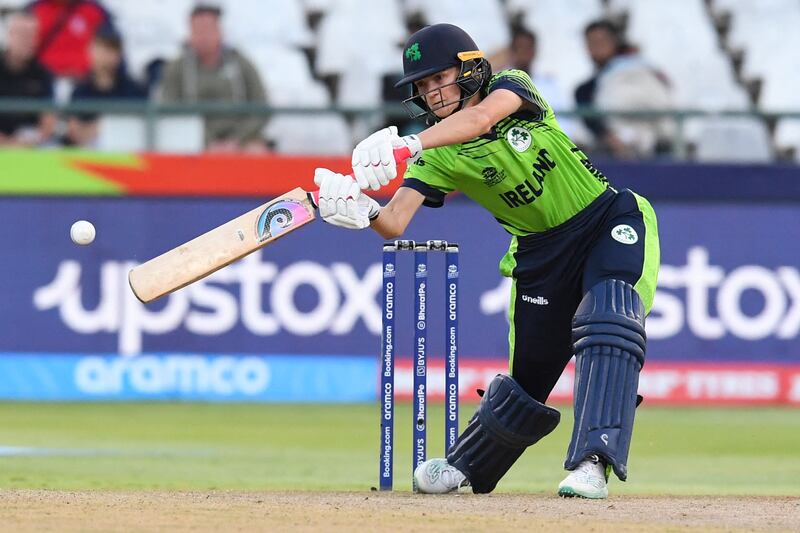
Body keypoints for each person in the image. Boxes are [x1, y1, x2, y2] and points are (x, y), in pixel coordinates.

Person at [313, 23, 660, 498]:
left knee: (607, 320)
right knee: (529, 380)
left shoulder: (511, 86)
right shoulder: (437, 156)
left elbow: (479, 122)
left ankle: (592, 463)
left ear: (470, 69)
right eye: (423, 86)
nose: (433, 94)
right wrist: (361, 210)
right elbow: (395, 222)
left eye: (441, 79)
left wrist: (409, 142)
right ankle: (467, 467)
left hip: (605, 218)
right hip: (540, 254)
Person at [159, 3, 268, 153]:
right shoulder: (177, 68)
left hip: (240, 139)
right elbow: (169, 110)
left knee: (256, 152)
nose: (203, 36)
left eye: (208, 30)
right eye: (198, 30)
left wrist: (237, 140)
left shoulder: (241, 63)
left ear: (220, 31)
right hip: (193, 139)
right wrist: (206, 141)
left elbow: (261, 107)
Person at [575, 20, 673, 159]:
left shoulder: (641, 71)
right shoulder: (584, 91)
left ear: (615, 42)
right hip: (610, 157)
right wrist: (613, 141)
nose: (598, 47)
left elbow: (661, 106)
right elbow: (591, 123)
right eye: (592, 42)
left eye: (602, 41)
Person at [64, 26, 147, 147]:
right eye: (100, 48)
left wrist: (103, 127)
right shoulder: (80, 90)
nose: (105, 56)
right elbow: (75, 132)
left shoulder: (133, 89)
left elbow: (141, 128)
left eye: (111, 50)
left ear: (119, 55)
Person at [0, 10, 55, 146]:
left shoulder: (42, 73)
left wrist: (28, 141)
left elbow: (49, 121)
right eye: (23, 35)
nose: (29, 41)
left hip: (30, 143)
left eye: (33, 35)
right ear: (9, 35)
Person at [25, 0, 115, 79]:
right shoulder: (33, 10)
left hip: (85, 84)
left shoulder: (96, 10)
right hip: (40, 82)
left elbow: (112, 48)